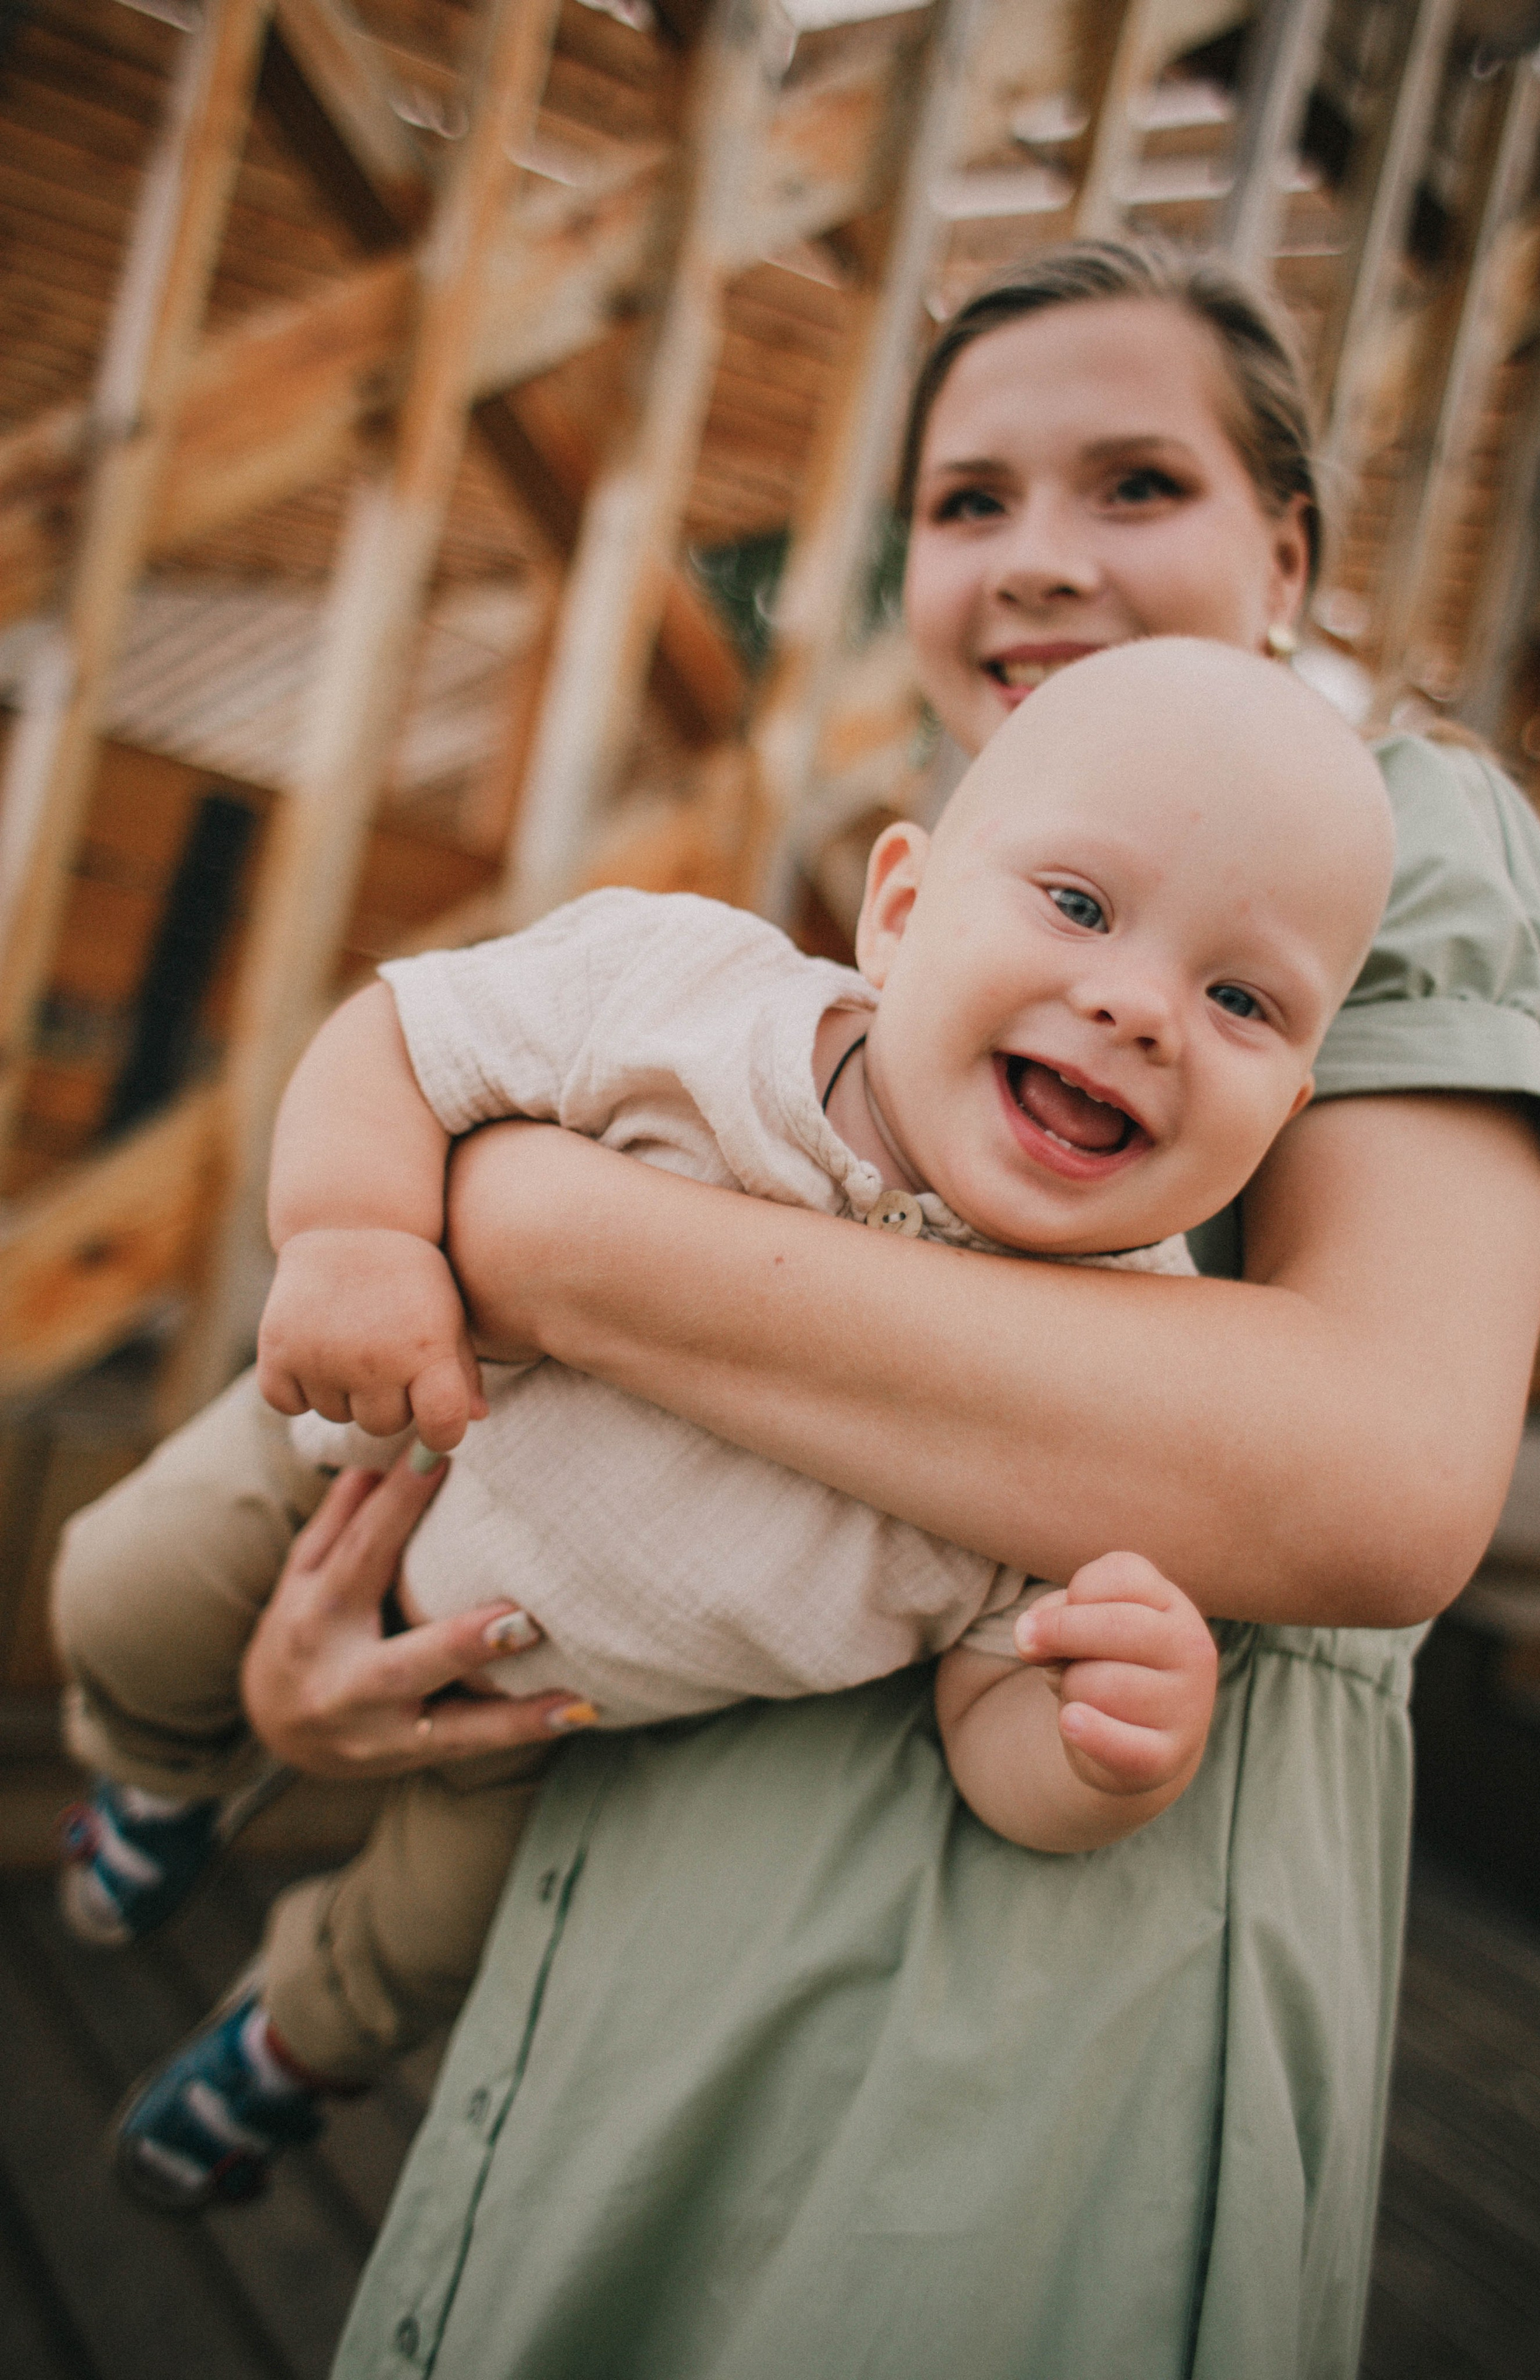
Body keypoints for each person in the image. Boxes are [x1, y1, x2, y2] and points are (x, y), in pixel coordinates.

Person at [123, 236, 1540, 2373]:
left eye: (1137, 486)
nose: (1041, 560)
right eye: (968, 501)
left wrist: (521, 1225)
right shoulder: (916, 924)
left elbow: (1378, 1470)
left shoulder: (1393, 827)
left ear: (1285, 547)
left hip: (1005, 1998)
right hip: (652, 1870)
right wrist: (323, 1677)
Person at [57, 639, 1392, 2208]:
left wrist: (1106, 1749)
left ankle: (287, 2050)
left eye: (1240, 1000)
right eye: (1079, 908)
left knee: (425, 1945)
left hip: (553, 1719)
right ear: (898, 913)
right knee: (122, 1593)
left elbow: (989, 1715)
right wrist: (354, 1234)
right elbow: (404, 1034)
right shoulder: (687, 996)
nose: (1136, 1007)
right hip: (369, 1459)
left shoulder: (1129, 1383)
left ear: (1286, 1108)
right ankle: (157, 1775)